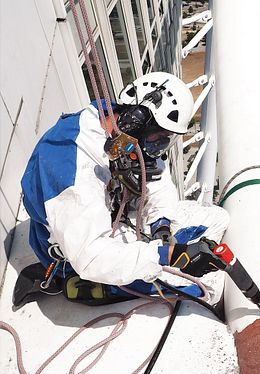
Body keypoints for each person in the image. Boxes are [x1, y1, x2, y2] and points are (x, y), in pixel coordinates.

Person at [18, 72, 230, 304]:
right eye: (157, 139)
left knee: (219, 218)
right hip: (77, 251)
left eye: (165, 141)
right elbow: (91, 256)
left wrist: (162, 226)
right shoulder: (72, 165)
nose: (157, 149)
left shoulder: (118, 123)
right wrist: (166, 255)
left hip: (108, 215)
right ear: (135, 120)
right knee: (207, 291)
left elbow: (155, 175)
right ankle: (90, 285)